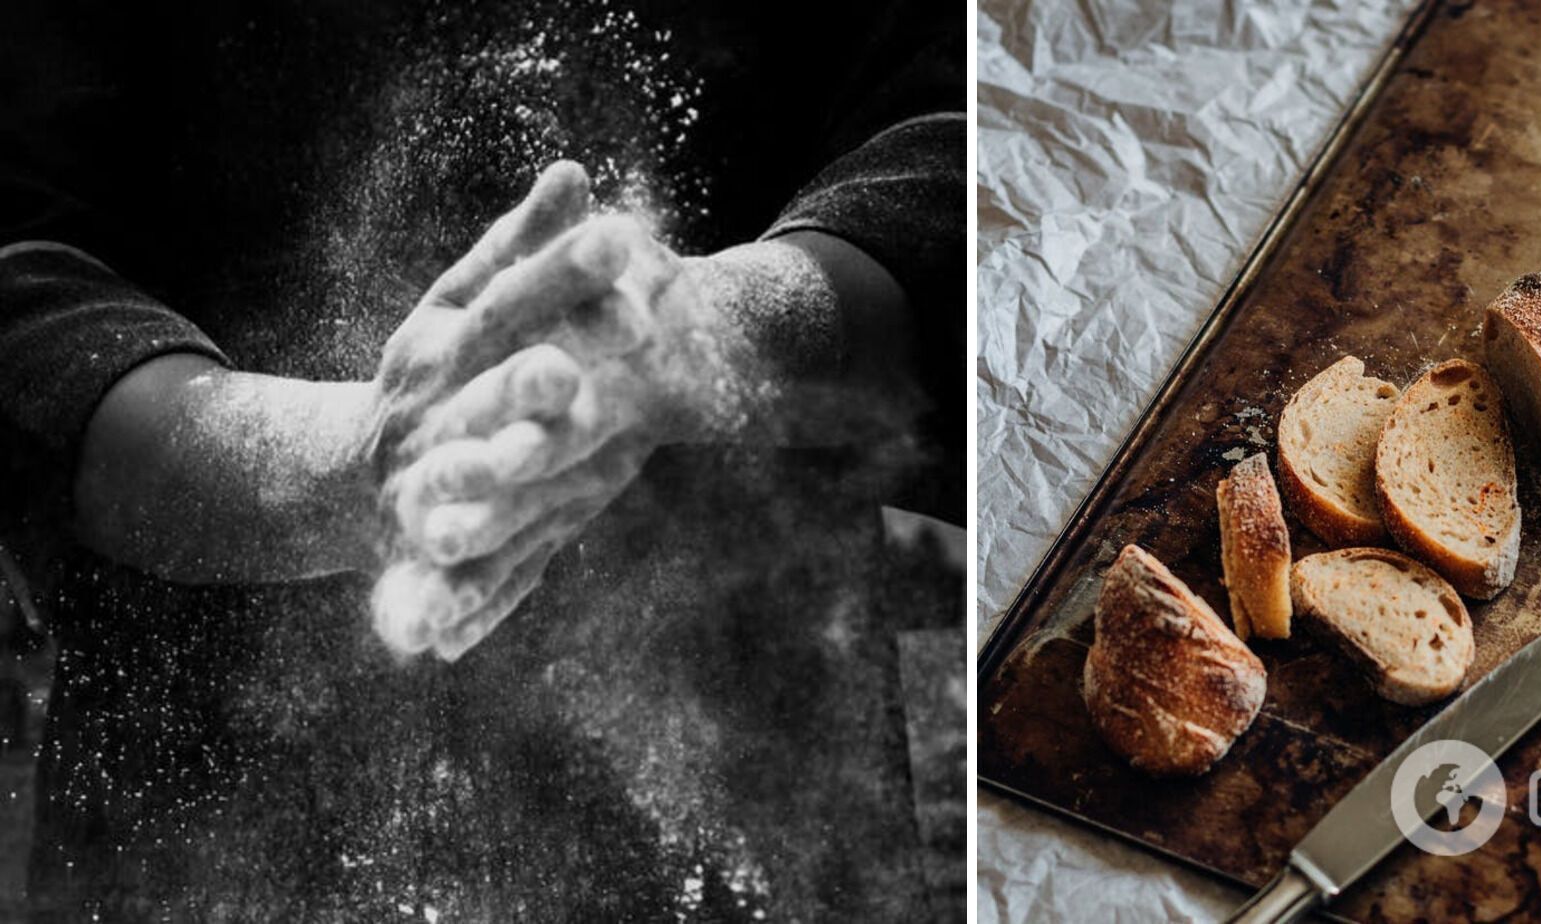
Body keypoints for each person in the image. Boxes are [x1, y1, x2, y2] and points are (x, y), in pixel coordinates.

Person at [0, 0, 962, 919]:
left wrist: (711, 333)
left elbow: (963, 134)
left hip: (751, 744)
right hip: (209, 776)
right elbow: (25, 263)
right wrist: (343, 468)